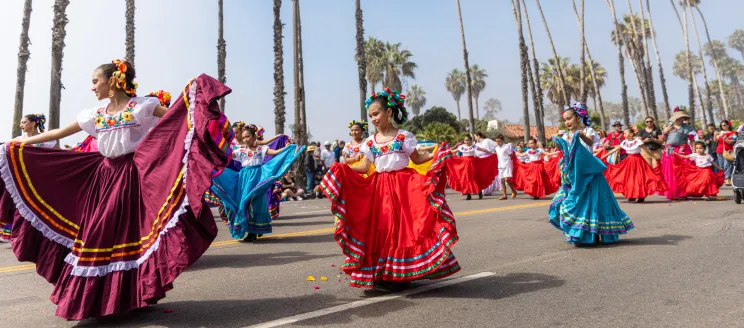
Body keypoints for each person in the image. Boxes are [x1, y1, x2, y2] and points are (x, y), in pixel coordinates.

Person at [0, 60, 234, 319]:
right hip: (103, 177)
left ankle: (119, 297)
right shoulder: (95, 114)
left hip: (131, 177)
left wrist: (196, 103)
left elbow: (179, 119)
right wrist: (15, 144)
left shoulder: (142, 107)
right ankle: (113, 299)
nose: (92, 87)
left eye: (95, 81)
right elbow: (58, 132)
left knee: (118, 236)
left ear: (112, 81)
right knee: (103, 235)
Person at [320, 88, 459, 291]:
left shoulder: (403, 136)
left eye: (376, 114)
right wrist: (343, 169)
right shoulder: (370, 142)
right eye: (370, 116)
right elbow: (364, 167)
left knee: (403, 230)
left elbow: (417, 159)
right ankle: (383, 272)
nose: (373, 119)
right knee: (381, 230)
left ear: (389, 113)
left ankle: (400, 273)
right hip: (378, 188)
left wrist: (438, 153)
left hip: (403, 187)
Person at [549, 102, 632, 245]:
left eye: (569, 118)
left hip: (590, 172)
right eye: (565, 120)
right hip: (575, 174)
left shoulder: (588, 131)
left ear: (577, 117)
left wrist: (580, 135)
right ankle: (579, 233)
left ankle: (594, 234)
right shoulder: (567, 135)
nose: (567, 122)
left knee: (593, 204)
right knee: (574, 202)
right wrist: (557, 141)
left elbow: (590, 142)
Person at [210, 124, 304, 242]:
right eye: (243, 137)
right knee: (244, 203)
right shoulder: (241, 151)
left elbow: (275, 152)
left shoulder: (261, 149)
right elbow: (226, 155)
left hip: (258, 178)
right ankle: (250, 229)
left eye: (248, 136)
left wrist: (289, 148)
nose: (245, 139)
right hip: (244, 179)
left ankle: (254, 231)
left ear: (254, 137)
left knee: (257, 203)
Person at [602, 129, 667, 203]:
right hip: (629, 161)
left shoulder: (638, 142)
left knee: (639, 178)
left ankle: (641, 195)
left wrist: (655, 157)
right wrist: (605, 155)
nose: (624, 135)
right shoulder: (624, 142)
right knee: (629, 178)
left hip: (638, 161)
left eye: (625, 133)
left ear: (631, 134)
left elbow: (646, 150)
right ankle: (631, 195)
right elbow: (616, 149)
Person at [447, 135, 498, 200]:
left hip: (473, 164)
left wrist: (491, 152)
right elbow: (453, 151)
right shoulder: (461, 147)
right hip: (464, 164)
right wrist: (445, 152)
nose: (466, 141)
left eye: (468, 140)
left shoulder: (473, 146)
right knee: (466, 178)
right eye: (465, 140)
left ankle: (479, 192)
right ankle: (468, 195)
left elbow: (482, 149)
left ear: (471, 140)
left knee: (475, 177)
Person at [661, 107, 695, 200]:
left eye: (683, 117)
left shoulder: (687, 128)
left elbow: (692, 140)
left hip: (683, 150)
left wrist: (694, 150)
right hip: (670, 149)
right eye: (680, 117)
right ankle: (672, 192)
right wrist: (665, 132)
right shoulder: (667, 126)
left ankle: (683, 192)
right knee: (671, 171)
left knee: (683, 172)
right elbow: (662, 140)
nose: (682, 119)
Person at [474, 131, 500, 196]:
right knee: (483, 175)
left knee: (488, 174)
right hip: (481, 161)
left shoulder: (487, 141)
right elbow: (476, 152)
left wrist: (494, 152)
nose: (475, 138)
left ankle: (488, 190)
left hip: (488, 160)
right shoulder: (476, 144)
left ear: (478, 136)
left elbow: (496, 145)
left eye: (475, 137)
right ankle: (484, 189)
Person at [494, 135, 518, 200]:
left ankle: (513, 191)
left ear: (502, 141)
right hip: (500, 165)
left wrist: (510, 162)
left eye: (499, 141)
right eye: (496, 141)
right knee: (502, 181)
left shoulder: (506, 147)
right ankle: (504, 195)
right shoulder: (496, 148)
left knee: (507, 179)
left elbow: (511, 155)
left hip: (507, 164)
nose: (497, 142)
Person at [716, 120, 736, 185]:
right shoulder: (720, 132)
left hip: (728, 151)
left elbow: (732, 142)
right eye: (721, 125)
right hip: (719, 151)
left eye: (724, 125)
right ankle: (723, 178)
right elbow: (716, 140)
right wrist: (715, 135)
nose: (723, 126)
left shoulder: (733, 133)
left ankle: (728, 179)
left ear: (728, 125)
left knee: (727, 165)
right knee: (721, 166)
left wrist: (724, 138)